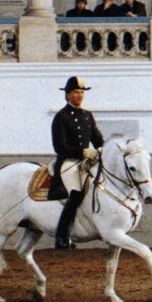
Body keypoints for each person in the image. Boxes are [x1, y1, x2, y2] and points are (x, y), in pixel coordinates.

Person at [51, 76, 104, 250]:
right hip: (68, 162)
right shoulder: (61, 117)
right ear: (67, 95)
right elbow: (60, 147)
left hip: (85, 162)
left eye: (81, 92)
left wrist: (102, 148)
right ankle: (61, 236)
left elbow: (97, 138)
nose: (79, 95)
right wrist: (82, 152)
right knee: (77, 192)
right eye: (75, 92)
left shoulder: (87, 115)